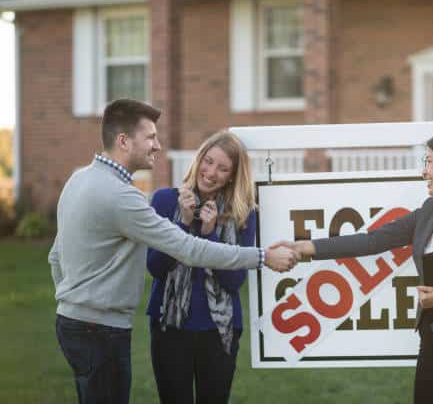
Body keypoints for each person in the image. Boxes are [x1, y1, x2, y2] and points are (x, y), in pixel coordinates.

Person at [49, 99, 299, 404]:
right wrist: (262, 257)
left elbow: (55, 256)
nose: (158, 145)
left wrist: (71, 300)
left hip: (76, 323)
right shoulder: (125, 196)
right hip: (103, 328)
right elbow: (183, 252)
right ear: (124, 141)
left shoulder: (79, 179)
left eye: (223, 168)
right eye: (151, 137)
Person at [274, 128, 433, 404]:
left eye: (430, 162)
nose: (424, 171)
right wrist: (304, 248)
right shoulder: (427, 213)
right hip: (432, 348)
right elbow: (371, 241)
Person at [146, 131, 255, 403]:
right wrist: (182, 225)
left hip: (218, 330)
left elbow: (233, 282)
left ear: (231, 175)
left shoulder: (242, 213)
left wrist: (209, 234)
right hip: (169, 326)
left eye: (223, 168)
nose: (211, 172)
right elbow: (155, 268)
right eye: (207, 161)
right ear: (198, 160)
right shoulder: (164, 201)